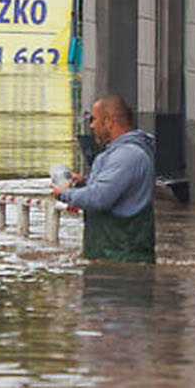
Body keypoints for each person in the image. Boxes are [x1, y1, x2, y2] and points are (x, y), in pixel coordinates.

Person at [52, 93, 156, 263]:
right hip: (111, 259)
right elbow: (114, 191)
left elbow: (99, 198)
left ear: (109, 121)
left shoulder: (127, 155)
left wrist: (64, 193)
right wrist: (85, 182)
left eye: (94, 119)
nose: (91, 126)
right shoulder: (119, 154)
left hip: (122, 264)